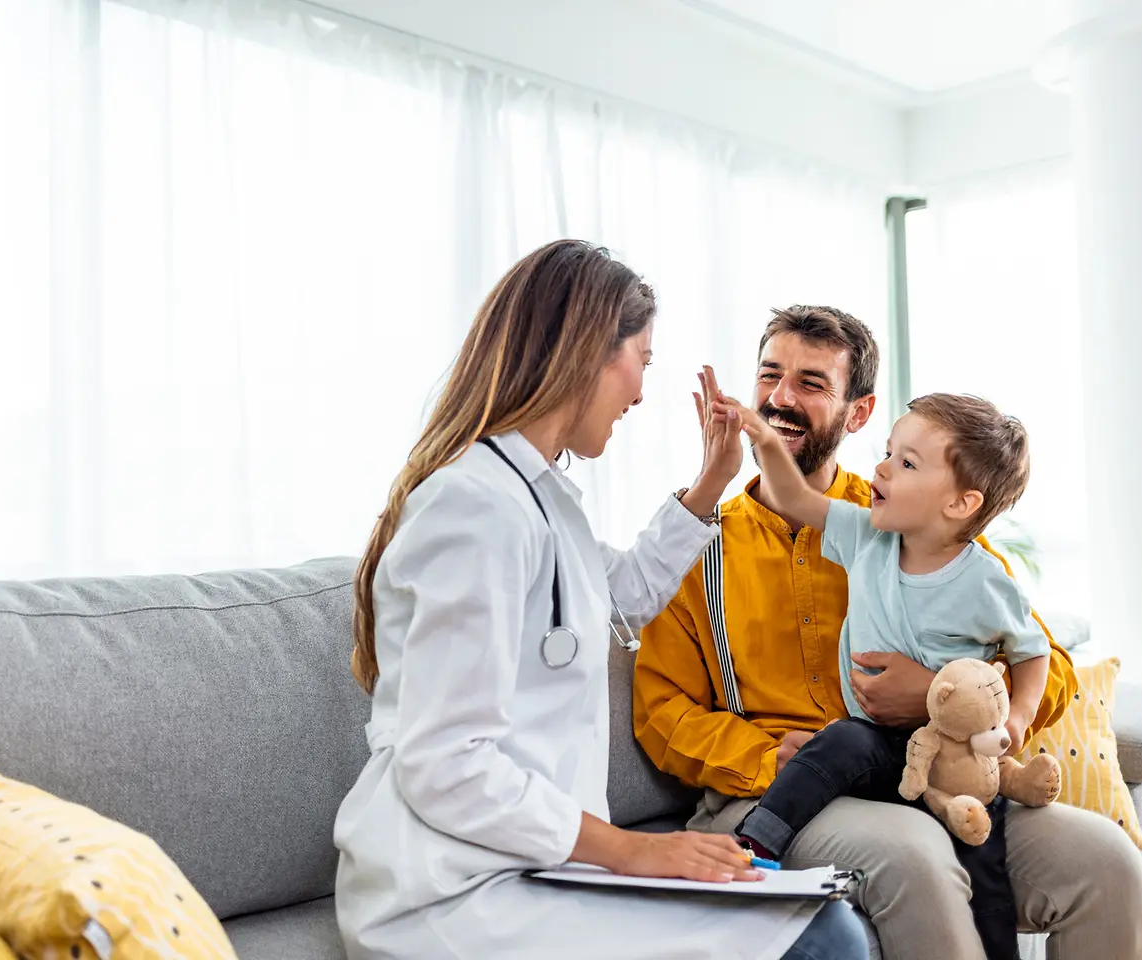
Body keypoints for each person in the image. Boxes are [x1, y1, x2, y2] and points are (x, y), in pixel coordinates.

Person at [332, 242, 867, 960]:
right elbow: (444, 763)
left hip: (530, 867)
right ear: (588, 352)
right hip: (454, 891)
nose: (641, 392)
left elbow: (620, 595)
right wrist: (631, 851)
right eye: (641, 359)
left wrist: (710, 483)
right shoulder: (474, 506)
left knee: (814, 919)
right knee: (820, 939)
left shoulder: (535, 495)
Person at [633, 305, 1142, 960]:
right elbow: (661, 713)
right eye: (770, 375)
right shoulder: (696, 545)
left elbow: (1044, 661)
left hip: (929, 771)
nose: (782, 398)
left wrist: (939, 694)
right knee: (913, 855)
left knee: (1106, 863)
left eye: (812, 383)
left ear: (858, 412)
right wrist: (770, 761)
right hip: (777, 798)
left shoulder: (911, 522)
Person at [714, 389, 1063, 959]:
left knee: (984, 870)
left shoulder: (985, 582)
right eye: (888, 452)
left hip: (958, 763)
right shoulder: (866, 537)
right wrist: (765, 440)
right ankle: (758, 841)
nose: (879, 468)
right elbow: (791, 493)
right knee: (837, 742)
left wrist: (1018, 717)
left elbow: (1033, 652)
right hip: (880, 744)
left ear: (959, 504)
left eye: (906, 463)